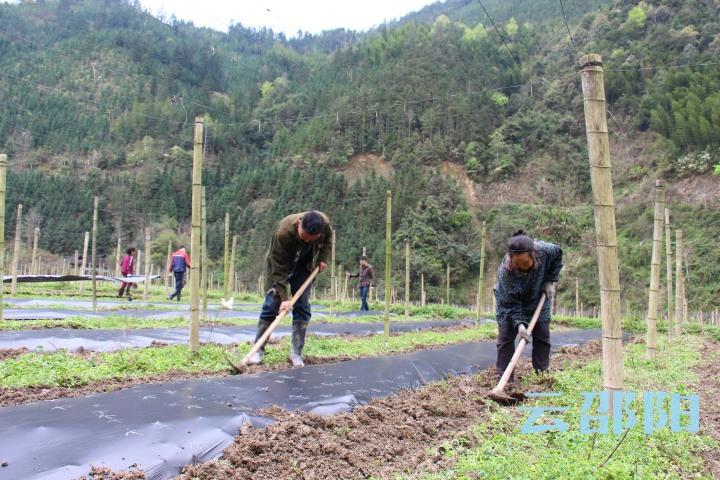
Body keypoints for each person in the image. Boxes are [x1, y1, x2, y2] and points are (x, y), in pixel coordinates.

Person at [248, 210, 331, 367]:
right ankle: (257, 351)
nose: (306, 241)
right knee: (272, 304)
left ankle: (296, 352)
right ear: (299, 224)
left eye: (311, 239)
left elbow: (328, 242)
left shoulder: (324, 224)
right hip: (282, 265)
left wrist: (322, 259)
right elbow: (278, 268)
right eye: (303, 237)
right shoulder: (284, 232)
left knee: (302, 307)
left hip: (304, 265)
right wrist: (284, 299)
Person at [493, 229, 563, 381]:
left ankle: (541, 374)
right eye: (517, 264)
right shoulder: (506, 272)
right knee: (506, 337)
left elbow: (558, 253)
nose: (522, 267)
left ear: (533, 253)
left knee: (542, 335)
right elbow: (509, 303)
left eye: (525, 262)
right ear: (511, 259)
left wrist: (551, 280)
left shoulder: (545, 251)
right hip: (510, 302)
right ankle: (505, 379)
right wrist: (519, 324)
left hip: (539, 295)